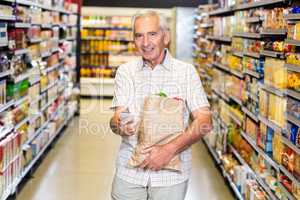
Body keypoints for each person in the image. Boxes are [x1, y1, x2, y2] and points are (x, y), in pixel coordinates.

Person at [110, 9, 212, 200]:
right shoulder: (125, 72)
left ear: (166, 37)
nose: (146, 43)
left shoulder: (186, 73)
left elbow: (205, 121)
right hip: (129, 172)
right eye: (139, 36)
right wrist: (118, 124)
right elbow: (117, 118)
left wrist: (168, 150)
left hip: (170, 177)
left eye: (152, 34)